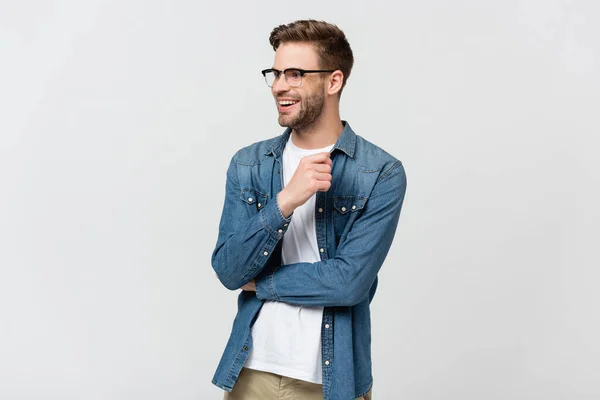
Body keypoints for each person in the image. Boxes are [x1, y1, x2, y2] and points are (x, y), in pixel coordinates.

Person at [211, 19, 407, 400]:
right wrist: (286, 200)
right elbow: (229, 269)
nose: (279, 86)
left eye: (296, 74)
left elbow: (348, 282)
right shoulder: (248, 163)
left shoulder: (380, 173)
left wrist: (265, 284)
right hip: (252, 372)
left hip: (331, 381)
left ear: (333, 82)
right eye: (276, 73)